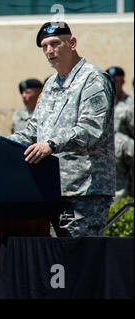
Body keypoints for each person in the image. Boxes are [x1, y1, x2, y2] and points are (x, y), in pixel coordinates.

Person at [7, 21, 116, 237]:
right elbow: (32, 130)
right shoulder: (50, 85)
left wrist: (51, 145)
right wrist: (0, 144)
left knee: (81, 263)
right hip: (51, 189)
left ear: (72, 43)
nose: (49, 51)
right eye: (45, 46)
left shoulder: (93, 79)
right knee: (56, 265)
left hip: (84, 192)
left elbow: (91, 128)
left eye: (55, 43)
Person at [106, 66, 134, 198]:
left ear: (122, 81)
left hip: (124, 157)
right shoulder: (103, 104)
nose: (112, 85)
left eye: (115, 81)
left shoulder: (130, 105)